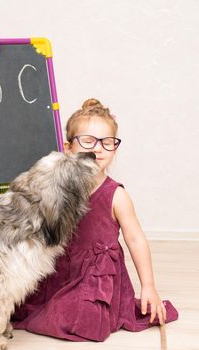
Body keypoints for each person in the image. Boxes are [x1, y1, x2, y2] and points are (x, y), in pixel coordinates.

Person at [11, 98, 178, 341]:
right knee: (13, 304)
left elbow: (135, 239)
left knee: (78, 319)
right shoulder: (56, 189)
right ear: (69, 148)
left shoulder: (117, 196)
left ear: (114, 149)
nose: (97, 149)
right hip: (56, 270)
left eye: (106, 142)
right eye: (88, 141)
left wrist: (149, 285)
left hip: (94, 279)